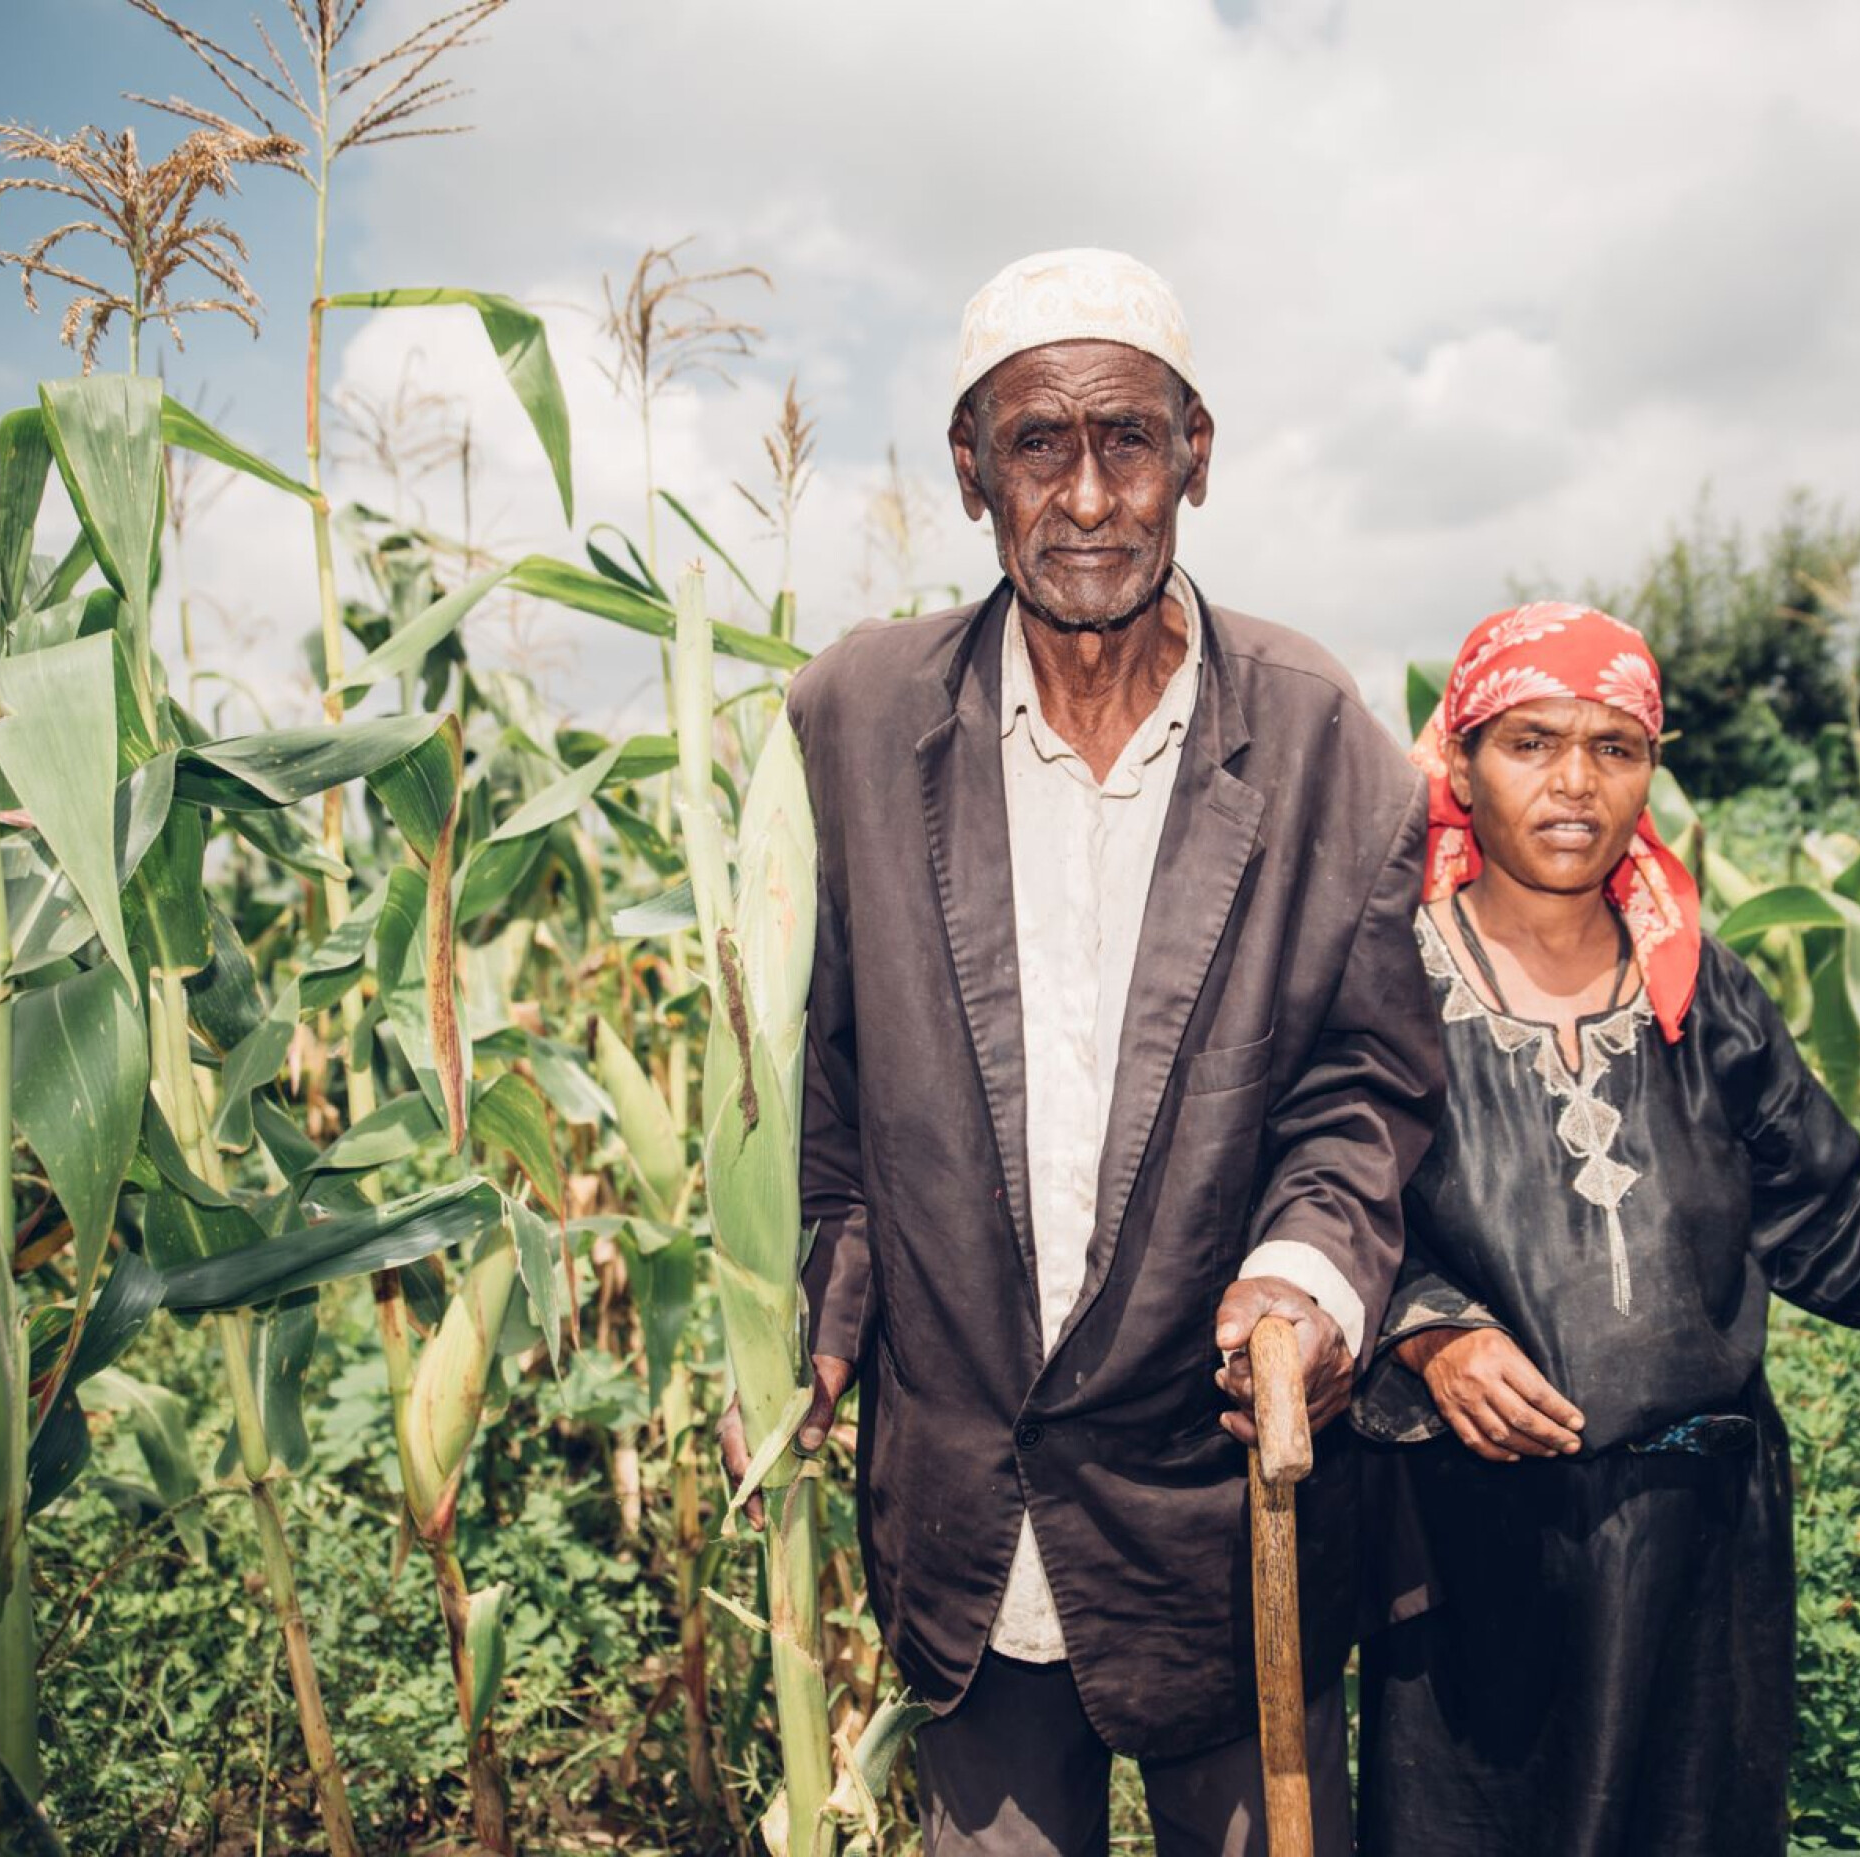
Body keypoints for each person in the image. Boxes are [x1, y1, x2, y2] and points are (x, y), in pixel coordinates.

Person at [741, 248, 1443, 1856]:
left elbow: (1369, 1083)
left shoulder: (1322, 730)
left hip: (1217, 1502)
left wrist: (1312, 1278)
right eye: (1039, 445)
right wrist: (811, 1324)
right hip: (960, 1498)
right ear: (971, 466)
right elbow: (819, 1077)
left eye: (1129, 441)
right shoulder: (849, 716)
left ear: (1197, 450)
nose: (1089, 496)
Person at [1351, 602, 1860, 1856]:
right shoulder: (1384, 982)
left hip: (1702, 1543)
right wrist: (1427, 1333)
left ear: (1652, 766)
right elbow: (1308, 1215)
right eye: (1530, 742)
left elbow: (1834, 1229)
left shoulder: (1704, 991)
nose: (1574, 783)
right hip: (1479, 1554)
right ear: (1460, 761)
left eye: (1615, 747)